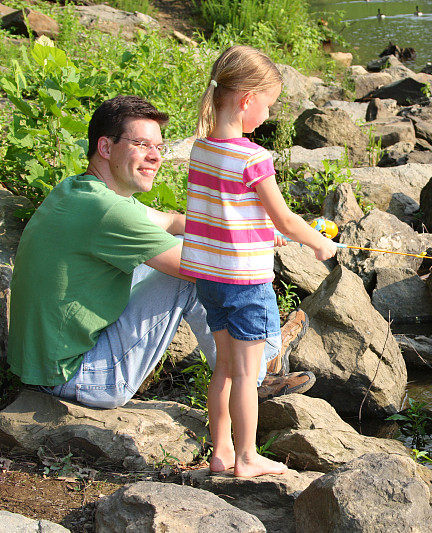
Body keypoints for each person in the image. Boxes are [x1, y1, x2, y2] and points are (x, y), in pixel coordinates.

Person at [6, 94, 312, 413]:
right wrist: (252, 245)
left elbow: (170, 221)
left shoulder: (81, 191)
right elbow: (205, 266)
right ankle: (256, 377)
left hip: (46, 365)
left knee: (185, 254)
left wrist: (240, 225)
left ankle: (261, 360)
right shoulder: (109, 212)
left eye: (158, 147)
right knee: (195, 274)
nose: (155, 157)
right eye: (141, 145)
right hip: (79, 377)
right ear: (105, 147)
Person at [180, 46, 337, 478]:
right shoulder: (253, 158)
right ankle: (248, 458)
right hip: (246, 284)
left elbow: (225, 213)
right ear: (247, 99)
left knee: (225, 370)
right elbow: (285, 216)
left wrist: (267, 237)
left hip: (210, 279)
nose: (267, 115)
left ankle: (221, 453)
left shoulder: (202, 150)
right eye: (267, 105)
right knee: (248, 376)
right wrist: (319, 245)